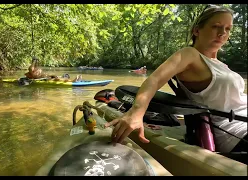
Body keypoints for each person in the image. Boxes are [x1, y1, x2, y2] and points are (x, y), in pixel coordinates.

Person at [105, 5, 247, 154]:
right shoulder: (190, 54)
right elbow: (154, 80)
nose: (222, 33)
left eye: (228, 29)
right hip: (236, 132)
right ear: (197, 30)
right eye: (216, 26)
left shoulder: (221, 64)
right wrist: (135, 113)